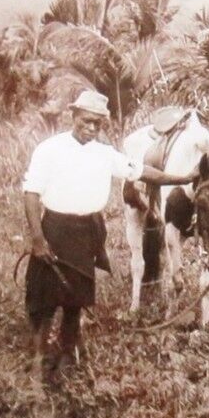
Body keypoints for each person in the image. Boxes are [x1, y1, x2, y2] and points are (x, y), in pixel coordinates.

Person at [21, 89, 192, 376]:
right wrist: (38, 240)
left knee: (75, 300)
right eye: (86, 121)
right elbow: (31, 193)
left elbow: (144, 172)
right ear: (73, 116)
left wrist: (184, 177)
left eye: (97, 124)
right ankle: (38, 360)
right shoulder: (50, 149)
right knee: (43, 300)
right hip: (55, 229)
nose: (90, 128)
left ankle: (67, 356)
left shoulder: (105, 154)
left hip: (87, 232)